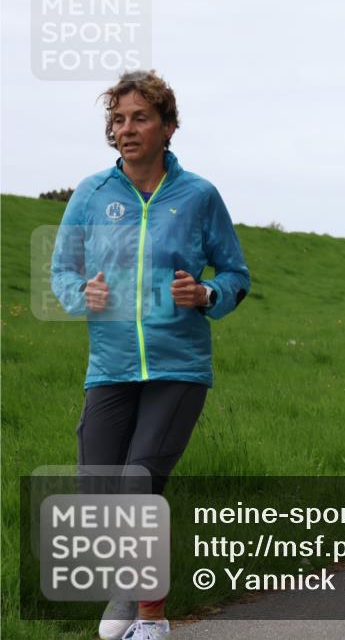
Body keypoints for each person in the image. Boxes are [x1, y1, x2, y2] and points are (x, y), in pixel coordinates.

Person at [50, 70, 251, 640]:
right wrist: (81, 294)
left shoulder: (198, 196)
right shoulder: (92, 194)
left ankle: (152, 618)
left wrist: (206, 294)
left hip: (177, 366)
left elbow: (236, 273)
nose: (127, 128)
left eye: (140, 117)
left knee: (138, 484)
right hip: (110, 367)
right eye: (118, 119)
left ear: (167, 126)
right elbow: (62, 270)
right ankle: (126, 586)